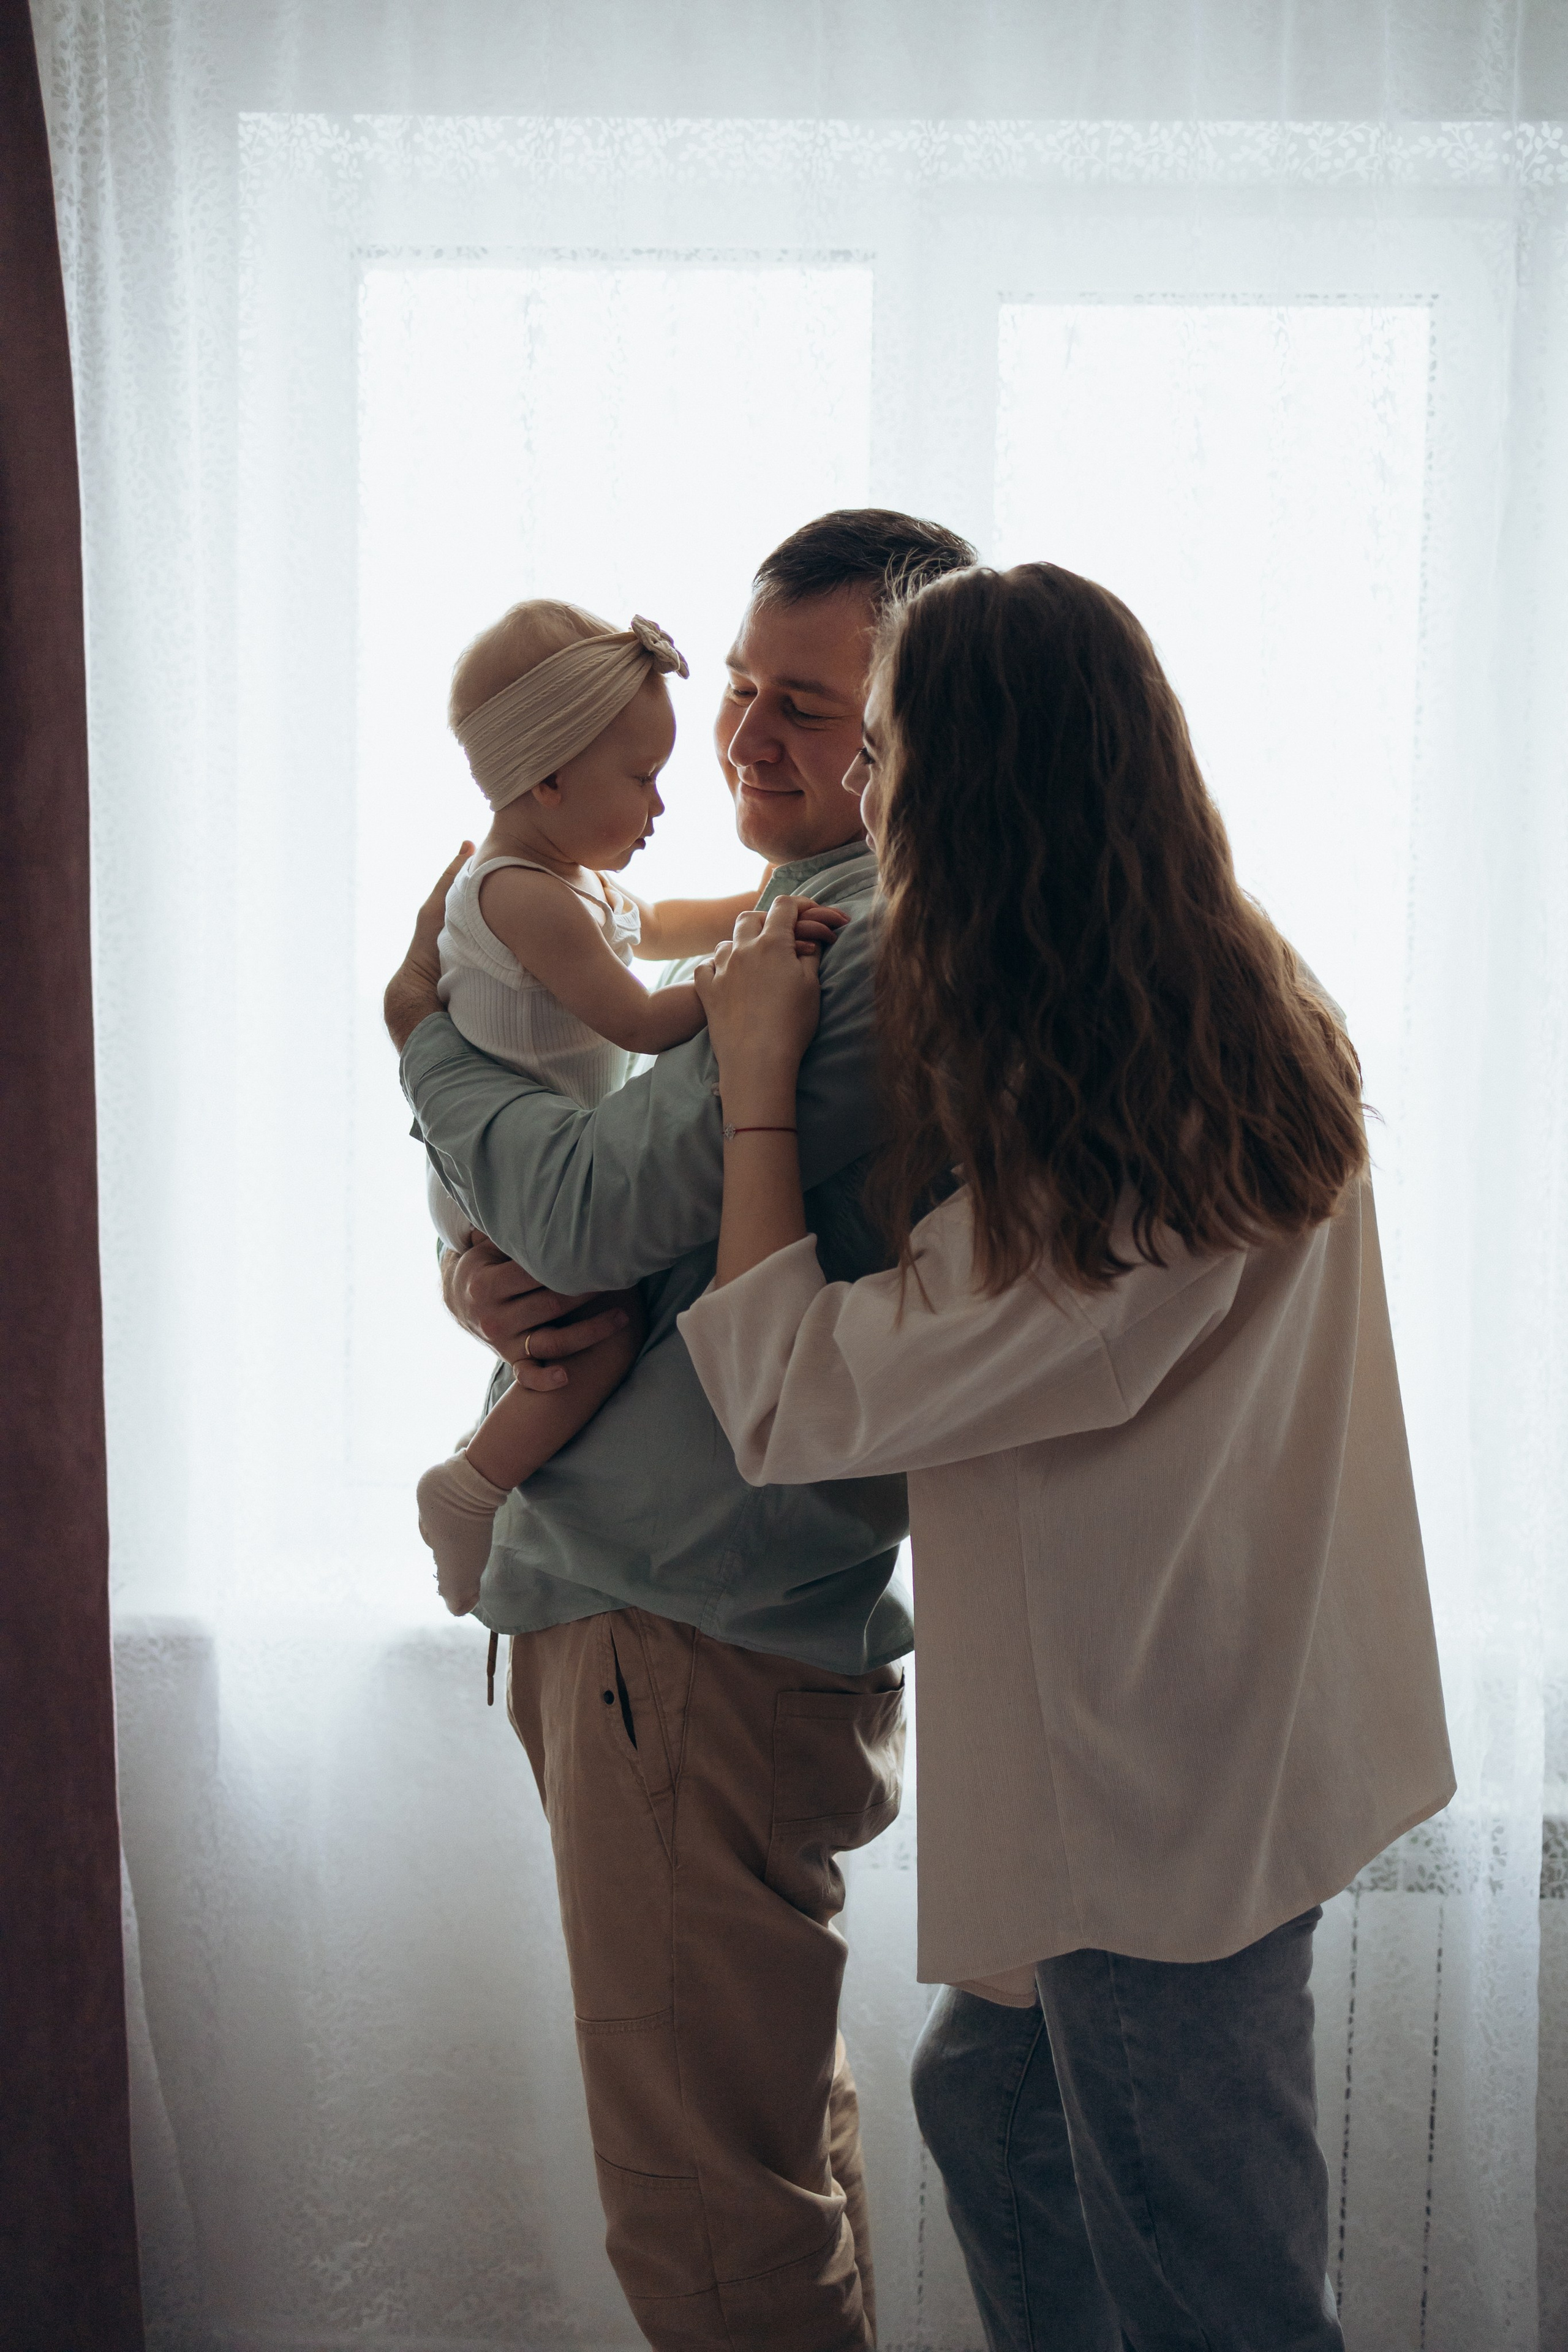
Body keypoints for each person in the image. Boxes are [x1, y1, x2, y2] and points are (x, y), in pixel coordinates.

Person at [677, 560, 1456, 2352]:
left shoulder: (1119, 1176)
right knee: (996, 2109)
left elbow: (795, 1398)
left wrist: (759, 1079)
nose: (854, 791)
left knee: (1219, 2287)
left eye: (875, 753)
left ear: (968, 796)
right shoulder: (1223, 1004)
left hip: (1152, 1796)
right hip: (1231, 1730)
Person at [383, 510, 977, 2352]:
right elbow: (564, 1237)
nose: (741, 735)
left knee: (709, 2215)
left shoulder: (852, 956)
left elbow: (575, 1214)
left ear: (916, 738)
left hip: (681, 1629)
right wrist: (475, 1281)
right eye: (736, 685)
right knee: (769, 2148)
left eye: (807, 706)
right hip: (709, 1621)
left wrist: (419, 1047)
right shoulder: (801, 933)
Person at [413, 598, 843, 1612]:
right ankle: (470, 1487)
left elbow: (659, 922)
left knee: (587, 1329)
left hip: (519, 1152)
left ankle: (481, 1476)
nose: (661, 808)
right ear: (550, 778)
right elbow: (644, 1019)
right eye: (643, 779)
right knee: (597, 1334)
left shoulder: (577, 882)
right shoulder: (518, 895)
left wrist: (767, 901)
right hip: (493, 1186)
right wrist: (750, 974)